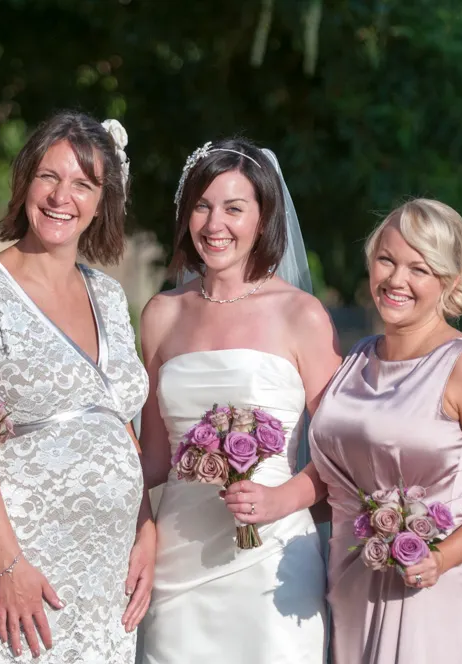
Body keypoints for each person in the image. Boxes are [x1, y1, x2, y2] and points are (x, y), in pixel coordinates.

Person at [246, 198, 462, 662]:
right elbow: (335, 481)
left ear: (446, 281)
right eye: (386, 260)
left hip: (433, 596)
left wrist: (441, 557)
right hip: (348, 591)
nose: (396, 280)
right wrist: (269, 500)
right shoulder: (355, 360)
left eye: (418, 268)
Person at [0, 112, 152, 663]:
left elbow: (120, 424)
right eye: (48, 177)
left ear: (103, 201)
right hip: (11, 575)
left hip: (104, 582)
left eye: (83, 184)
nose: (61, 196)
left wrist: (145, 526)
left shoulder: (108, 297)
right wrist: (9, 566)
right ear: (25, 181)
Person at [137, 138, 340, 664]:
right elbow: (154, 459)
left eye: (233, 208)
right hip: (178, 565)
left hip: (272, 562)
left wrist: (283, 499)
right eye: (201, 206)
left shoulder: (302, 316)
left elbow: (345, 453)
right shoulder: (162, 314)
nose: (214, 224)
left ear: (263, 216)